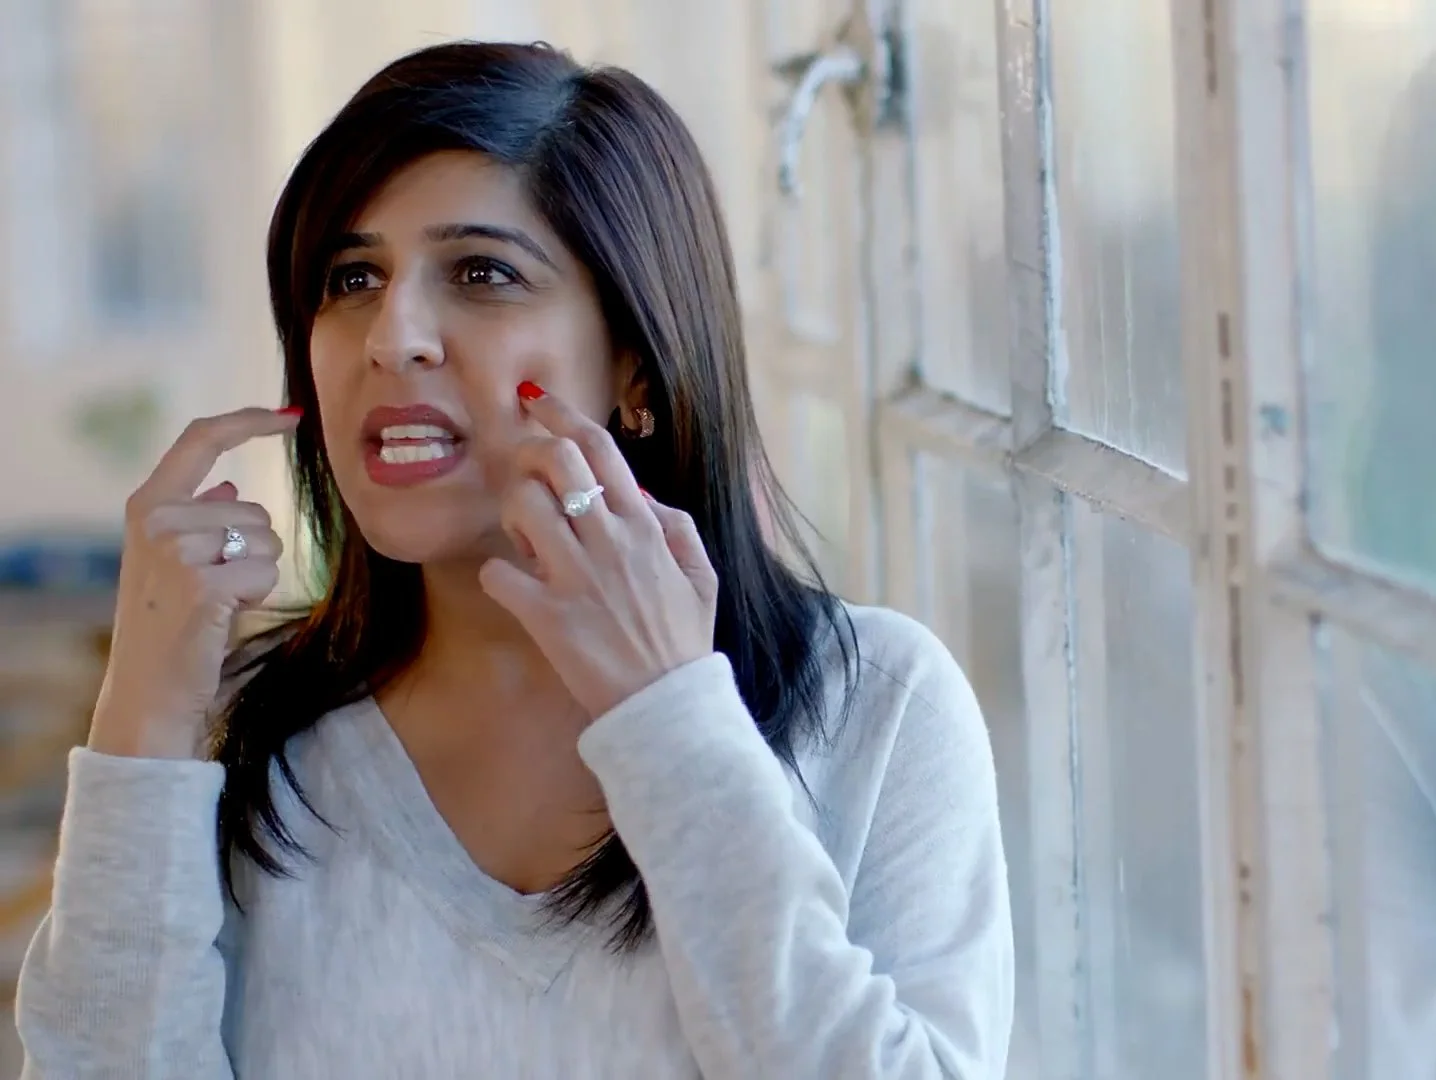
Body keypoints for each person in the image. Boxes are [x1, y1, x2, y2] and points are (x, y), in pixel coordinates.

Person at [13, 41, 1014, 1079]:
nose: (391, 337)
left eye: (482, 273)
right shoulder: (241, 733)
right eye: (351, 277)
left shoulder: (878, 709)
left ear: (635, 360)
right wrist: (143, 722)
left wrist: (673, 720)